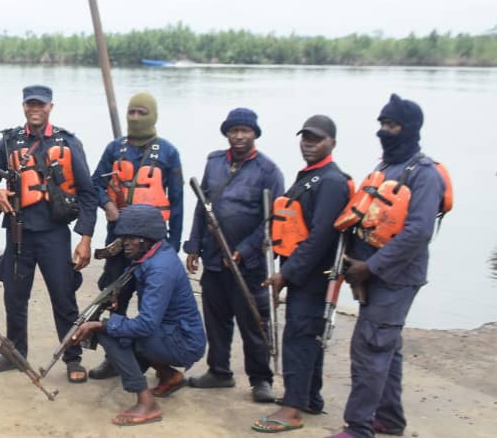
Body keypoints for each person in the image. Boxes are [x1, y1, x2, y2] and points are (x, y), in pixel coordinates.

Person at [326, 94, 445, 438]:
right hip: (370, 273)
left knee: (370, 348)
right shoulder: (384, 168)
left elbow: (418, 233)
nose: (384, 131)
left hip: (396, 277)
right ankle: (390, 419)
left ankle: (359, 428)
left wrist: (371, 267)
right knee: (385, 348)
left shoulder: (424, 174)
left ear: (408, 129)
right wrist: (353, 264)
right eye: (381, 124)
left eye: (390, 125)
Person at [0, 85, 97, 383]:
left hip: (54, 233)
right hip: (18, 231)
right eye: (30, 104)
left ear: (50, 108)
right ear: (23, 107)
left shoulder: (67, 142)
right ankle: (15, 352)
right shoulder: (9, 142)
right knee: (14, 296)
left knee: (63, 296)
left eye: (40, 105)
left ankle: (72, 357)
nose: (35, 109)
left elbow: (88, 193)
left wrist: (85, 238)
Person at [251, 115, 351, 433]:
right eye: (305, 137)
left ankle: (292, 408)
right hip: (301, 271)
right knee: (307, 337)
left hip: (313, 274)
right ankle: (309, 397)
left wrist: (286, 275)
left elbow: (321, 236)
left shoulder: (331, 181)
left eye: (317, 138)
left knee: (299, 337)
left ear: (332, 143)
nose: (309, 143)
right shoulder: (310, 175)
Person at [71, 204, 206, 426]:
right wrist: (115, 295)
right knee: (117, 328)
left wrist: (101, 326)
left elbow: (145, 325)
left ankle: (146, 402)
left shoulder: (160, 268)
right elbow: (129, 278)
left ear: (145, 238)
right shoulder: (153, 254)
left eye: (129, 239)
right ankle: (169, 376)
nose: (124, 244)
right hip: (174, 333)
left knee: (109, 332)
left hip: (183, 342)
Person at [183, 107, 284, 402]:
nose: (239, 136)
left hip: (249, 264)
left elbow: (273, 220)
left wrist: (245, 250)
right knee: (216, 318)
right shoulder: (214, 163)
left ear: (254, 134)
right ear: (227, 133)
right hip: (214, 258)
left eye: (245, 131)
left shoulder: (269, 171)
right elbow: (203, 206)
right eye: (234, 131)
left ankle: (260, 379)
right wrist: (194, 247)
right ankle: (219, 372)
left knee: (253, 322)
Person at [89, 92, 184, 380]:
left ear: (153, 115)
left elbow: (177, 203)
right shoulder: (113, 149)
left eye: (142, 113)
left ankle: (149, 359)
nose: (135, 118)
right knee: (115, 297)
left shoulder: (168, 152)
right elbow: (95, 184)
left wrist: (175, 247)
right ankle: (113, 358)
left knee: (152, 303)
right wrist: (108, 206)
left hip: (154, 246)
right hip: (119, 242)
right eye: (131, 113)